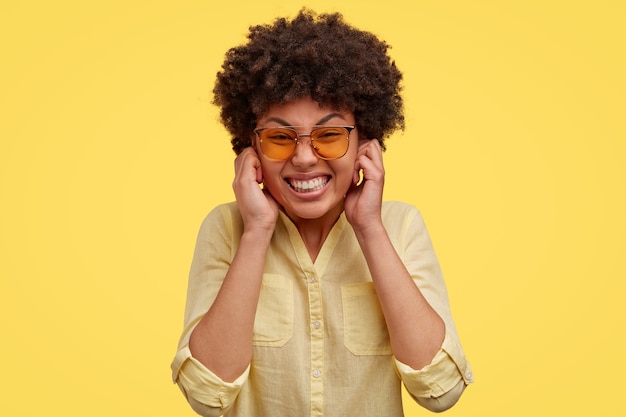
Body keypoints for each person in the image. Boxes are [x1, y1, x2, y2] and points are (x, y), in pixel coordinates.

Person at [171, 9, 473, 417]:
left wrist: (369, 228)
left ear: (365, 142)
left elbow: (441, 392)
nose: (303, 158)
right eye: (279, 138)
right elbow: (206, 397)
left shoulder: (400, 227)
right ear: (251, 149)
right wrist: (257, 230)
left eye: (329, 136)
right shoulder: (227, 228)